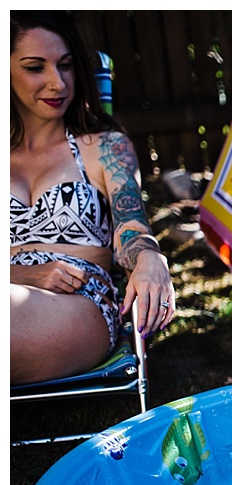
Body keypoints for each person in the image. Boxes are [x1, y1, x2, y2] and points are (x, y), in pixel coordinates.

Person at [10, 10, 175, 385]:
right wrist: (23, 274)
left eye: (66, 65)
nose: (58, 83)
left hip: (76, 302)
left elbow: (131, 226)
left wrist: (149, 256)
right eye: (36, 67)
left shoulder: (104, 149)